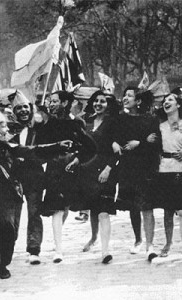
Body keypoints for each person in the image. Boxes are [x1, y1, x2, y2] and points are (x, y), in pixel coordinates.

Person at [0, 110, 72, 279]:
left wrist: (56, 146)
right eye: (1, 126)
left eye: (4, 125)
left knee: (9, 228)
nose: (5, 130)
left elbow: (32, 150)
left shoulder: (8, 145)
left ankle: (3, 264)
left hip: (9, 194)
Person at [35, 93, 96, 263]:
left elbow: (91, 146)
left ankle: (57, 239)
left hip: (72, 168)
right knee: (57, 208)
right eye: (50, 101)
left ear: (65, 103)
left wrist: (78, 159)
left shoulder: (76, 123)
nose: (51, 104)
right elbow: (39, 147)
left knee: (66, 207)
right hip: (55, 168)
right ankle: (59, 249)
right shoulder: (47, 124)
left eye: (55, 101)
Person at [152, 93, 182, 262]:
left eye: (170, 100)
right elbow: (155, 146)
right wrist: (150, 140)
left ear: (178, 105)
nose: (166, 103)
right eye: (164, 101)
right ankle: (167, 243)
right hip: (165, 169)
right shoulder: (160, 126)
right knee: (168, 210)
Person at [112, 87, 160, 256]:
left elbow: (156, 143)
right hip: (127, 166)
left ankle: (150, 244)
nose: (125, 98)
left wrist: (140, 143)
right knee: (133, 206)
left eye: (129, 95)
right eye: (124, 95)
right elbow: (112, 136)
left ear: (138, 101)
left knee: (147, 205)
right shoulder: (120, 119)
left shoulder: (151, 119)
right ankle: (138, 239)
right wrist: (115, 143)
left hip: (146, 166)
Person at [75, 90, 120, 264]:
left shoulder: (113, 123)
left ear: (108, 105)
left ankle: (105, 250)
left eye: (102, 101)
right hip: (88, 171)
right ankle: (93, 238)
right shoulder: (88, 122)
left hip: (106, 171)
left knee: (103, 210)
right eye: (96, 101)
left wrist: (108, 169)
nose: (98, 104)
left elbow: (118, 151)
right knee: (93, 208)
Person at [8, 90, 46, 265]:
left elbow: (45, 150)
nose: (23, 110)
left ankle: (34, 250)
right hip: (14, 178)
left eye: (25, 107)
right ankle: (7, 248)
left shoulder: (39, 127)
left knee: (34, 213)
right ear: (14, 112)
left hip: (34, 176)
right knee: (11, 216)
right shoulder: (8, 129)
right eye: (18, 108)